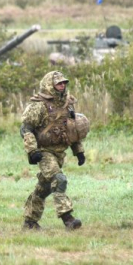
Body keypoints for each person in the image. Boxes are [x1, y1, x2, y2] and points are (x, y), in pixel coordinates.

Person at [20, 71, 85, 230]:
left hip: (59, 153)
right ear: (50, 85)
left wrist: (78, 151)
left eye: (64, 83)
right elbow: (26, 128)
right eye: (58, 83)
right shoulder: (38, 105)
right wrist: (32, 150)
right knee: (59, 180)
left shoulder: (68, 104)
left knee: (44, 188)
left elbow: (71, 129)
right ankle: (67, 218)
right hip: (44, 152)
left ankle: (30, 221)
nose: (62, 86)